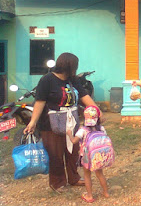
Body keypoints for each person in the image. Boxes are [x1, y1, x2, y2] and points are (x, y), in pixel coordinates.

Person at [24, 52, 97, 193]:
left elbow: (84, 96)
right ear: (69, 66)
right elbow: (39, 101)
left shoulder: (73, 80)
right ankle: (57, 182)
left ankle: (74, 178)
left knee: (73, 151)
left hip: (71, 122)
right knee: (55, 154)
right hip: (50, 124)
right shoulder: (47, 80)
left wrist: (96, 111)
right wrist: (33, 122)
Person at [66, 105, 109, 203]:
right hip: (98, 156)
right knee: (100, 174)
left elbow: (73, 141)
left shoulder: (83, 130)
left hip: (86, 157)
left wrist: (69, 133)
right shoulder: (101, 128)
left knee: (87, 175)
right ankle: (106, 192)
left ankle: (89, 196)